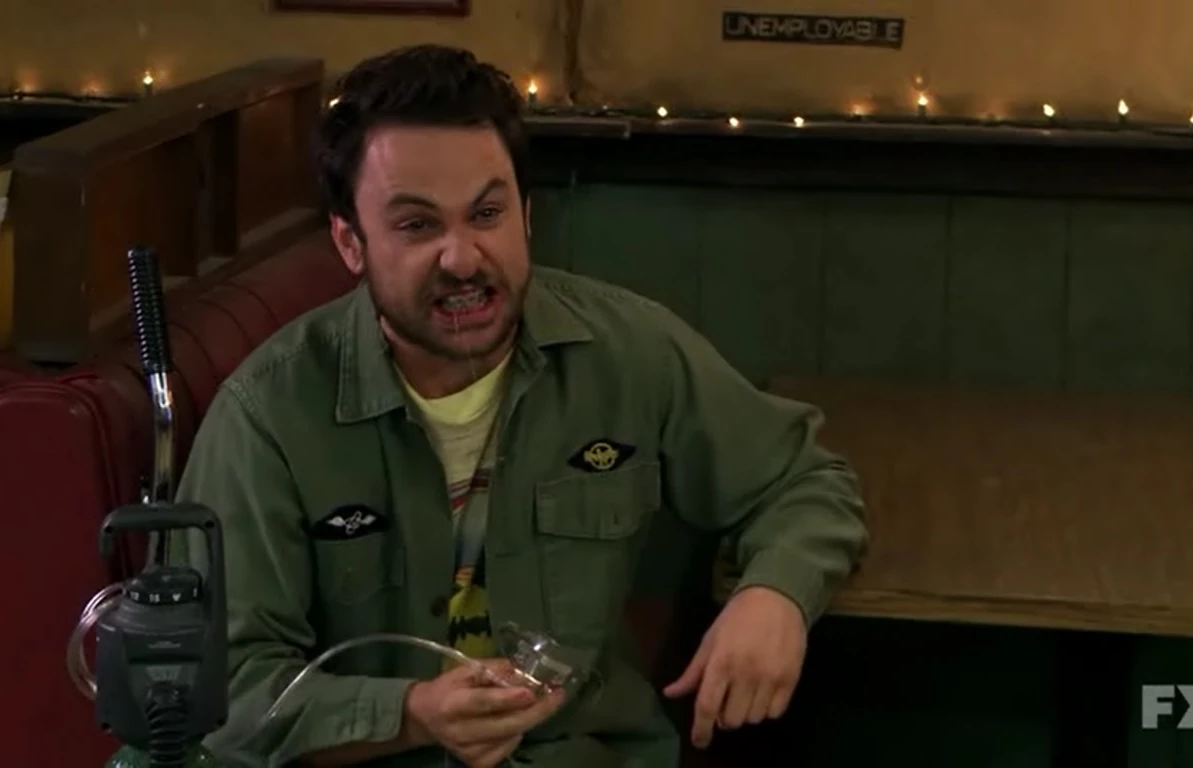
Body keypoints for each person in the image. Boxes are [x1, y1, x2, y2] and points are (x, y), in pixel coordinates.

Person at [171, 44, 868, 768]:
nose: (463, 258)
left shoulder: (626, 350)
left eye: (487, 213)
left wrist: (775, 595)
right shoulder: (269, 414)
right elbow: (219, 693)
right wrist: (411, 715)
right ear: (352, 243)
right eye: (417, 226)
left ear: (525, 216)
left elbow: (806, 482)